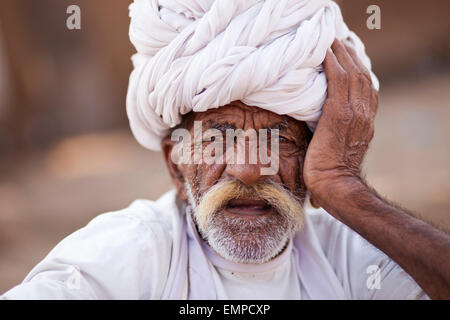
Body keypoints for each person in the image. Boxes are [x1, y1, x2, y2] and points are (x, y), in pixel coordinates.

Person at [2, 0, 449, 300]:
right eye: (220, 137)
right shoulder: (133, 256)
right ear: (175, 167)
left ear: (319, 156)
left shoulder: (354, 263)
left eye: (283, 138)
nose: (251, 168)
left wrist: (346, 190)